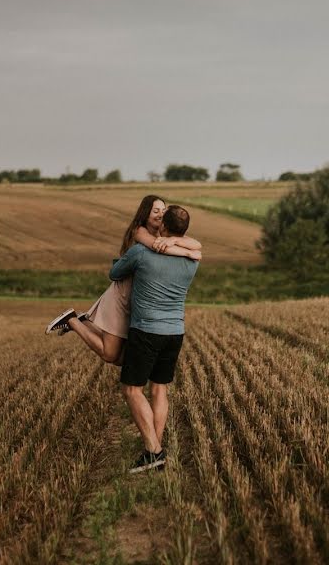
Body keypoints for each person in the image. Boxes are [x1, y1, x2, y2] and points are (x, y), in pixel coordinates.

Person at [45, 195, 201, 366]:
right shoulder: (140, 232)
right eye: (155, 211)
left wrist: (175, 240)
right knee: (110, 354)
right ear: (145, 215)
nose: (160, 214)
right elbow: (159, 248)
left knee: (123, 359)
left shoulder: (167, 235)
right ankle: (72, 320)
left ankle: (83, 321)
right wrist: (187, 252)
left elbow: (197, 244)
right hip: (123, 296)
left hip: (141, 300)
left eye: (163, 211)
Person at [109, 205, 199, 474]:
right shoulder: (192, 260)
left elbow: (115, 274)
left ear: (163, 227)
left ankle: (154, 451)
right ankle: (154, 450)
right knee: (160, 389)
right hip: (175, 332)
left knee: (131, 390)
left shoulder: (140, 253)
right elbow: (193, 247)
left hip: (146, 330)